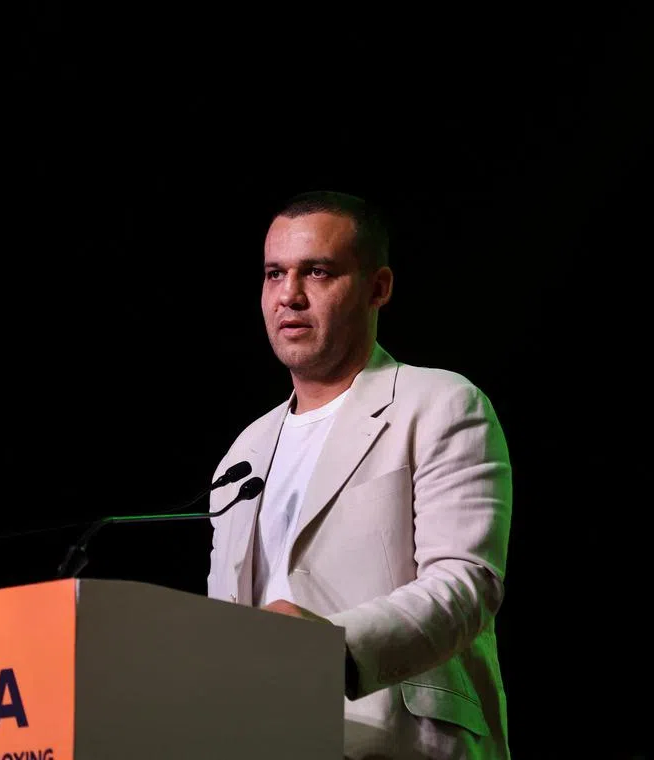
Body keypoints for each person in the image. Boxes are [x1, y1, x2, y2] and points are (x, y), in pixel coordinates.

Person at [206, 191, 514, 760]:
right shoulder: (244, 452)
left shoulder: (441, 403)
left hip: (397, 741)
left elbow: (467, 584)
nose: (289, 296)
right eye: (275, 274)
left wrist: (332, 649)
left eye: (317, 272)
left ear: (378, 288)